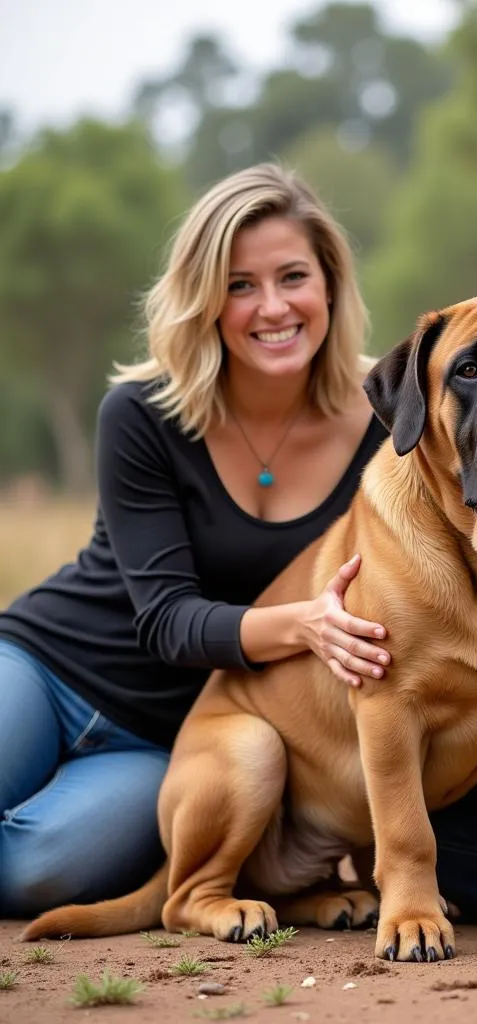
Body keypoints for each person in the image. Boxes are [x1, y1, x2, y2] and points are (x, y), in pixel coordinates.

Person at [0, 164, 392, 918]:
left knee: (34, 875)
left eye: (292, 277)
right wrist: (307, 625)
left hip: (168, 739)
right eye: (240, 284)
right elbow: (166, 619)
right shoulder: (142, 411)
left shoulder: (389, 420)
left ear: (332, 285)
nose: (271, 307)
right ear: (205, 298)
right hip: (47, 665)